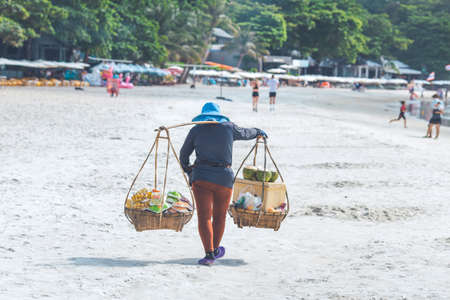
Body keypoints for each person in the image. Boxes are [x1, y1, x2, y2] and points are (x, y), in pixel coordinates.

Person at [180, 102, 267, 266]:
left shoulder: (196, 130)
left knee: (204, 217)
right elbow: (247, 133)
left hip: (201, 178)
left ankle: (209, 254)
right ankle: (214, 250)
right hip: (223, 178)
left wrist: (189, 171)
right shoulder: (229, 128)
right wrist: (259, 131)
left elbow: (184, 155)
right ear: (219, 115)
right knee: (219, 217)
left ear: (203, 116)